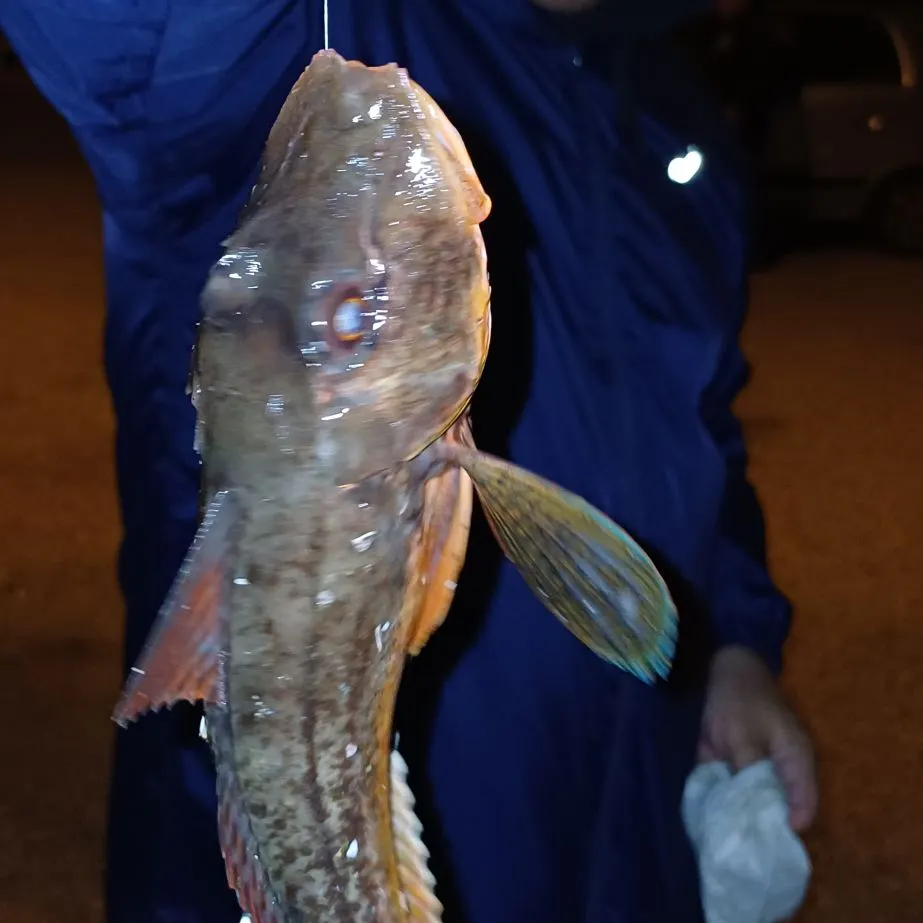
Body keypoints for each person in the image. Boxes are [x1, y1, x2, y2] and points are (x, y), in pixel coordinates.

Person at [2, 2, 817, 922]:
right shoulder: (278, 40)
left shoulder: (674, 104)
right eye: (354, 315)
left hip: (632, 820)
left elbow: (700, 414)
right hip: (440, 833)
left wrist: (733, 642)